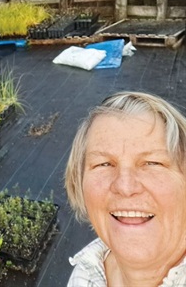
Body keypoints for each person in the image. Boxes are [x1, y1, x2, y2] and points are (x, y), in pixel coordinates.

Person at [64, 91, 186, 287]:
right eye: (104, 164)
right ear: (79, 181)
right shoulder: (87, 272)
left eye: (152, 163)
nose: (125, 187)